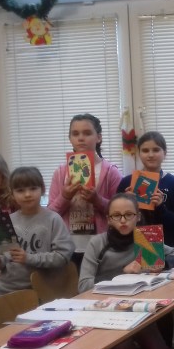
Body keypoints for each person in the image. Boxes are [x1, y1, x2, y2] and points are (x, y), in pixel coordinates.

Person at [78, 193, 174, 349]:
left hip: (138, 307)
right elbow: (83, 285)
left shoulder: (145, 238)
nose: (123, 220)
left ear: (138, 217)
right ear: (109, 219)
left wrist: (164, 263)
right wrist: (121, 273)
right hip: (106, 309)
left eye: (129, 215)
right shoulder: (98, 243)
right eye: (116, 215)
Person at [0, 167, 74, 295]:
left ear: (42, 189)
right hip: (7, 290)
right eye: (20, 190)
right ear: (12, 193)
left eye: (33, 188)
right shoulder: (5, 222)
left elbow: (63, 256)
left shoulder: (53, 219)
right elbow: (4, 261)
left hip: (42, 292)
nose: (27, 194)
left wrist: (29, 258)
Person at [49, 113, 122, 268]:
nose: (81, 138)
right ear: (70, 139)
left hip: (102, 247)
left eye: (87, 133)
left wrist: (97, 200)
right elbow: (50, 215)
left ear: (98, 137)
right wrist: (65, 196)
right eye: (75, 134)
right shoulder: (60, 172)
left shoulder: (111, 172)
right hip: (68, 248)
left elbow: (120, 213)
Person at [117, 131, 174, 248]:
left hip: (166, 247)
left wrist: (161, 208)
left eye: (156, 150)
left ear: (165, 153)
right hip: (131, 246)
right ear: (139, 153)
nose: (150, 155)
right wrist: (126, 203)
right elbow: (115, 218)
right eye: (145, 150)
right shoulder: (126, 182)